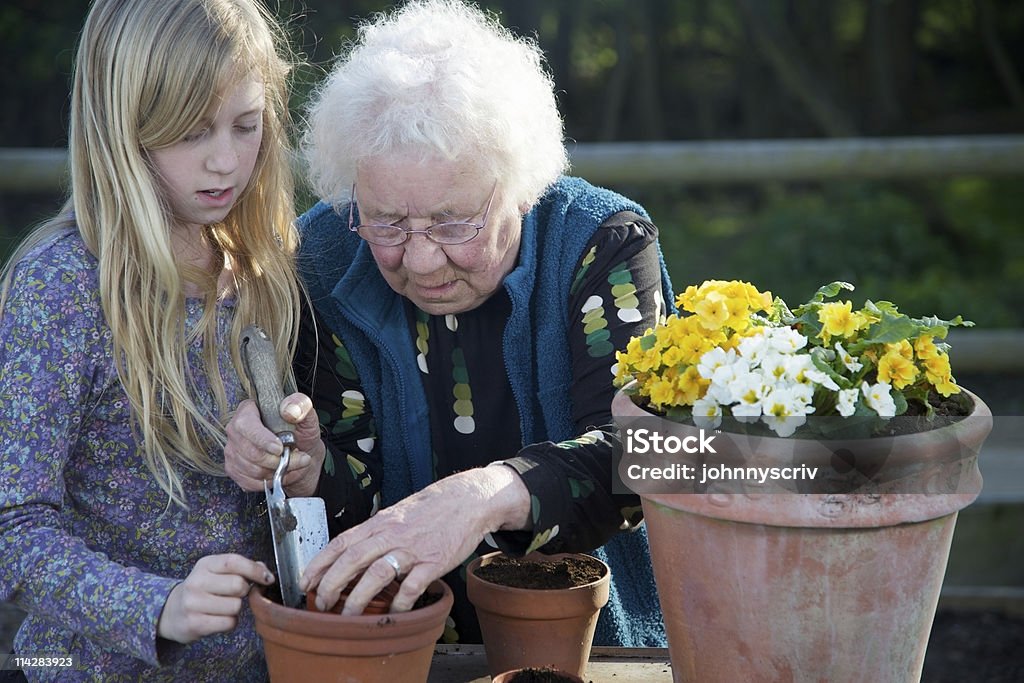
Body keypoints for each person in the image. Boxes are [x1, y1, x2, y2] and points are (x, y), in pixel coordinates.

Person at [225, 0, 671, 647]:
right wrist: (309, 467)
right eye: (388, 222)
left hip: (593, 642)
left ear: (522, 186)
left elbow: (652, 457)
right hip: (395, 644)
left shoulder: (601, 244)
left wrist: (490, 492)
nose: (423, 257)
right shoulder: (322, 257)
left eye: (454, 221)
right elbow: (350, 506)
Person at [0, 0, 302, 679]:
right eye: (191, 133)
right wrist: (157, 605)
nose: (225, 161)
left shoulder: (262, 265)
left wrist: (295, 459)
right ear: (121, 128)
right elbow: (11, 528)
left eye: (246, 125)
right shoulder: (63, 286)